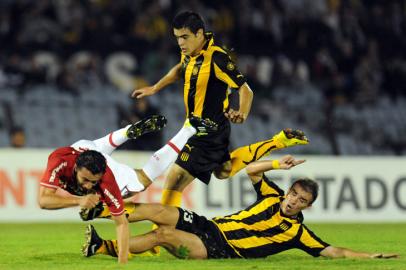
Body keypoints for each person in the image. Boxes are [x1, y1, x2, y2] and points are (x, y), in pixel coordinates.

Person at [83, 155, 398, 260]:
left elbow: (334, 251)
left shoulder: (298, 233)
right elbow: (252, 171)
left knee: (162, 234)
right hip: (211, 225)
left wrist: (369, 256)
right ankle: (104, 210)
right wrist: (278, 161)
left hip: (220, 249)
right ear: (289, 191)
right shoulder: (272, 196)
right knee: (158, 210)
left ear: (308, 206)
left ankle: (100, 247)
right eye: (294, 194)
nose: (294, 201)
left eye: (302, 201)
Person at [38, 114, 217, 264]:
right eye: (85, 180)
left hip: (86, 147)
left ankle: (185, 130)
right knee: (130, 172)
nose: (88, 186)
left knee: (139, 182)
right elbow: (43, 201)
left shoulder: (106, 178)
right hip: (85, 149)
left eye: (93, 182)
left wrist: (122, 264)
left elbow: (121, 223)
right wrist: (79, 200)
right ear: (76, 168)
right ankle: (135, 131)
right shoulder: (59, 161)